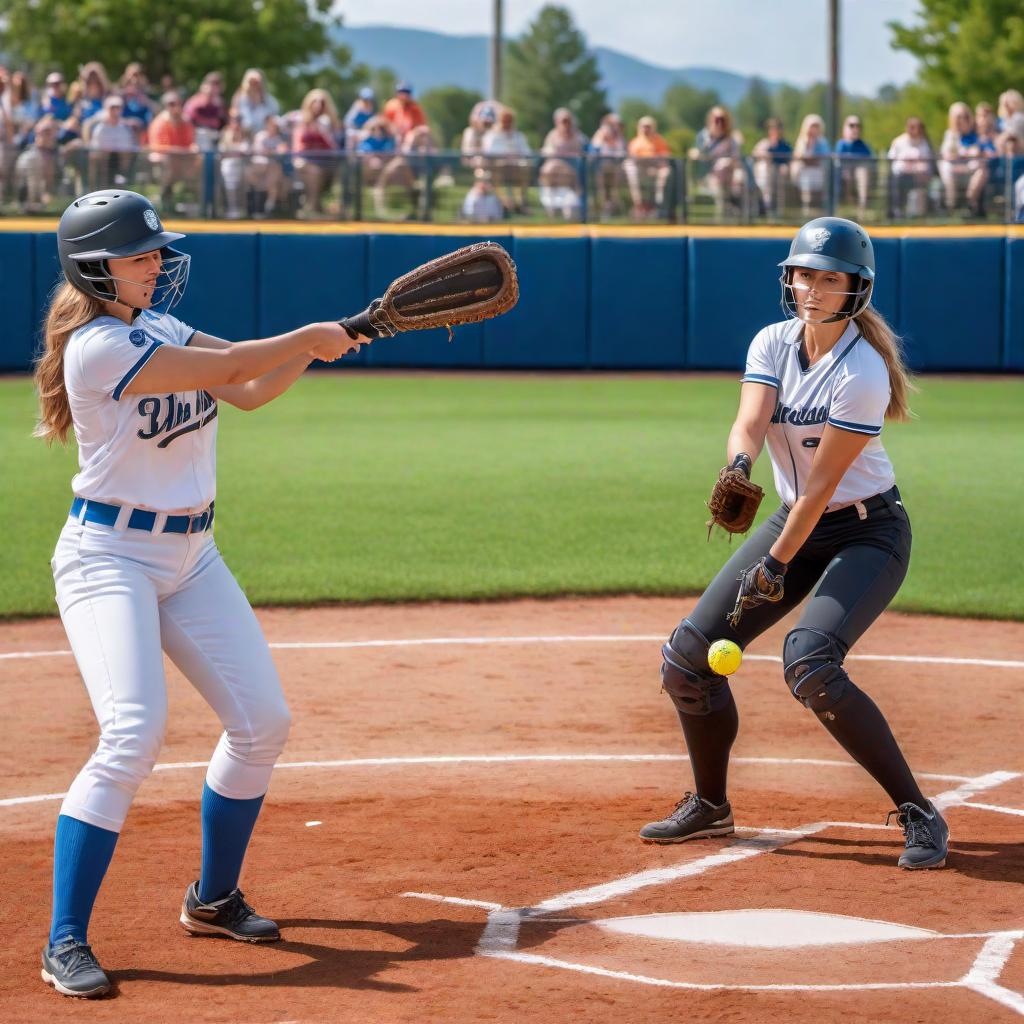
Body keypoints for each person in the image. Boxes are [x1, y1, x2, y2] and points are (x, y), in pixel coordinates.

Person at [33, 189, 369, 999]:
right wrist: (307, 334)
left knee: (263, 724)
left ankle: (213, 899)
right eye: (141, 254)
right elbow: (226, 369)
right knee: (132, 732)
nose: (158, 262)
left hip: (192, 556)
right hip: (107, 556)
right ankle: (64, 940)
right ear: (96, 268)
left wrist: (326, 345)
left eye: (155, 251)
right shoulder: (97, 348)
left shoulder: (160, 329)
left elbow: (245, 390)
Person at [639, 216, 949, 874]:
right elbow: (751, 420)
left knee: (809, 663)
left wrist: (775, 565)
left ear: (854, 289)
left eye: (827, 278)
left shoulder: (861, 371)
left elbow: (823, 487)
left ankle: (919, 812)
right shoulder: (773, 343)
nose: (811, 287)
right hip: (792, 519)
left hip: (867, 530)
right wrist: (737, 466)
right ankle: (710, 804)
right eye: (802, 273)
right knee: (686, 661)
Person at [291, 88, 342, 218]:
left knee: (339, 173)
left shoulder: (330, 123)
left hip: (326, 162)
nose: (318, 105)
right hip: (305, 162)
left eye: (322, 102)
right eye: (315, 101)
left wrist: (324, 131)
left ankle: (331, 209)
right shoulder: (302, 121)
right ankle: (312, 207)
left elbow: (334, 148)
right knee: (315, 172)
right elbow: (297, 146)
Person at [148, 91, 201, 211]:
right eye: (170, 104)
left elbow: (190, 144)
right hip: (163, 163)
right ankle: (165, 203)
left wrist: (192, 150)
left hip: (182, 161)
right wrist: (181, 151)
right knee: (169, 161)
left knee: (201, 161)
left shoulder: (185, 122)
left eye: (177, 103)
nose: (174, 107)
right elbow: (160, 149)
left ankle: (196, 204)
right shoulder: (160, 123)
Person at [689, 105, 743, 215]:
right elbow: (694, 153)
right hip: (708, 178)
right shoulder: (703, 137)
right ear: (710, 120)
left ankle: (739, 210)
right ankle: (725, 213)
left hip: (731, 178)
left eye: (722, 120)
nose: (719, 123)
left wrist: (728, 161)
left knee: (739, 177)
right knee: (720, 185)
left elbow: (737, 159)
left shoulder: (732, 138)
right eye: (716, 119)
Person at [939, 102, 988, 216]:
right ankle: (951, 205)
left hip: (970, 169)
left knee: (981, 169)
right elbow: (946, 155)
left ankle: (969, 203)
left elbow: (979, 152)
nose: (961, 120)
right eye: (958, 117)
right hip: (954, 169)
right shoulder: (950, 134)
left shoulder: (976, 133)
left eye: (964, 116)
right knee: (945, 167)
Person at [482, 107, 532, 214]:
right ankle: (504, 202)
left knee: (525, 167)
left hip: (516, 167)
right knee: (497, 168)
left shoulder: (518, 136)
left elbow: (527, 152)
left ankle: (520, 202)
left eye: (509, 121)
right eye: (505, 121)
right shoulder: (492, 135)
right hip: (498, 167)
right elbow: (489, 152)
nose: (507, 124)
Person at [539, 107, 587, 219]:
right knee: (550, 167)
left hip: (572, 183)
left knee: (571, 214)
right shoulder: (552, 136)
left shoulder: (579, 137)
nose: (566, 124)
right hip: (553, 182)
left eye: (568, 121)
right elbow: (547, 154)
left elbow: (583, 155)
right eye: (563, 121)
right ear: (557, 122)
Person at [625, 114, 673, 219]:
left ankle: (659, 203)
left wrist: (655, 167)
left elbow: (665, 158)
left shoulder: (660, 141)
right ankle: (638, 205)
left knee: (665, 171)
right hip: (640, 170)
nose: (646, 129)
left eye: (648, 126)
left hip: (655, 169)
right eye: (643, 126)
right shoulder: (635, 143)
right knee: (630, 169)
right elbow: (631, 159)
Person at [887, 117, 936, 219]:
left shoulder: (924, 143)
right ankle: (896, 210)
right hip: (901, 176)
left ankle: (921, 212)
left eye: (916, 127)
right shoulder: (898, 142)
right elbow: (892, 162)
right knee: (895, 182)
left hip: (919, 177)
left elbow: (926, 164)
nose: (914, 130)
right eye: (911, 127)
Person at [87, 95, 138, 189]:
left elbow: (128, 147)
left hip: (119, 161)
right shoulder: (100, 127)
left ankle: (123, 179)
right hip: (104, 162)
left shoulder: (125, 128)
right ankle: (101, 186)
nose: (115, 110)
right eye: (112, 107)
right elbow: (97, 147)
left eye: (118, 107)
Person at [15, 113, 59, 212]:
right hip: (32, 154)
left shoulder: (54, 147)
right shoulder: (40, 128)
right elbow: (41, 137)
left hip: (46, 154)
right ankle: (31, 203)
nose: (50, 134)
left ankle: (37, 203)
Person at [751, 117, 793, 217]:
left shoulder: (784, 145)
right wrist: (764, 154)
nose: (774, 131)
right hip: (765, 176)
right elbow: (754, 155)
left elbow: (789, 159)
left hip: (779, 174)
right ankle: (766, 206)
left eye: (777, 128)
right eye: (772, 128)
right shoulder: (764, 143)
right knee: (765, 170)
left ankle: (777, 210)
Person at [249, 112, 289, 217]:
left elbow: (282, 152)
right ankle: (259, 207)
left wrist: (271, 152)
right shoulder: (260, 136)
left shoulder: (280, 138)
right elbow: (259, 151)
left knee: (274, 173)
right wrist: (272, 152)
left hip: (273, 171)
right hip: (259, 168)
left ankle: (269, 208)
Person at [791, 113, 831, 215]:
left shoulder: (823, 142)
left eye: (816, 126)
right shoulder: (802, 141)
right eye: (812, 126)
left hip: (819, 171)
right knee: (806, 177)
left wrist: (811, 160)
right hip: (804, 172)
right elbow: (798, 156)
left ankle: (819, 208)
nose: (814, 129)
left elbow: (824, 157)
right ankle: (807, 207)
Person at [590, 112, 628, 217]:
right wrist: (603, 137)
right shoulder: (599, 136)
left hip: (616, 169)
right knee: (603, 186)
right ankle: (604, 207)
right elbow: (594, 152)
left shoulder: (620, 138)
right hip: (601, 169)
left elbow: (622, 155)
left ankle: (614, 207)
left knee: (615, 186)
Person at [217, 110, 251, 219]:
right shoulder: (225, 133)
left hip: (243, 165)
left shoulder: (245, 133)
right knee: (229, 175)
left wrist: (234, 149)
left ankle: (244, 210)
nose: (236, 123)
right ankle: (231, 208)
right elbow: (222, 150)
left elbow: (246, 150)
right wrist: (236, 149)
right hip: (228, 165)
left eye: (239, 120)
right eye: (234, 120)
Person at [184, 72, 229, 151]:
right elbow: (188, 119)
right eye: (212, 84)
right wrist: (210, 122)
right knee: (204, 135)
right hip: (198, 135)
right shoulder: (195, 101)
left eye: (217, 85)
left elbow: (223, 122)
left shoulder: (219, 104)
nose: (214, 88)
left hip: (216, 135)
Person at [232, 69, 280, 136]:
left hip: (265, 135)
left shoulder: (268, 99)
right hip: (245, 135)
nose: (254, 85)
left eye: (256, 82)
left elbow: (275, 113)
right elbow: (235, 115)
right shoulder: (240, 98)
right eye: (252, 82)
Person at [116, 63, 157, 134]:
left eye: (137, 75)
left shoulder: (147, 93)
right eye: (132, 75)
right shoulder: (119, 94)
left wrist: (144, 99)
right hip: (123, 130)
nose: (134, 79)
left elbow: (156, 111)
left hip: (143, 131)